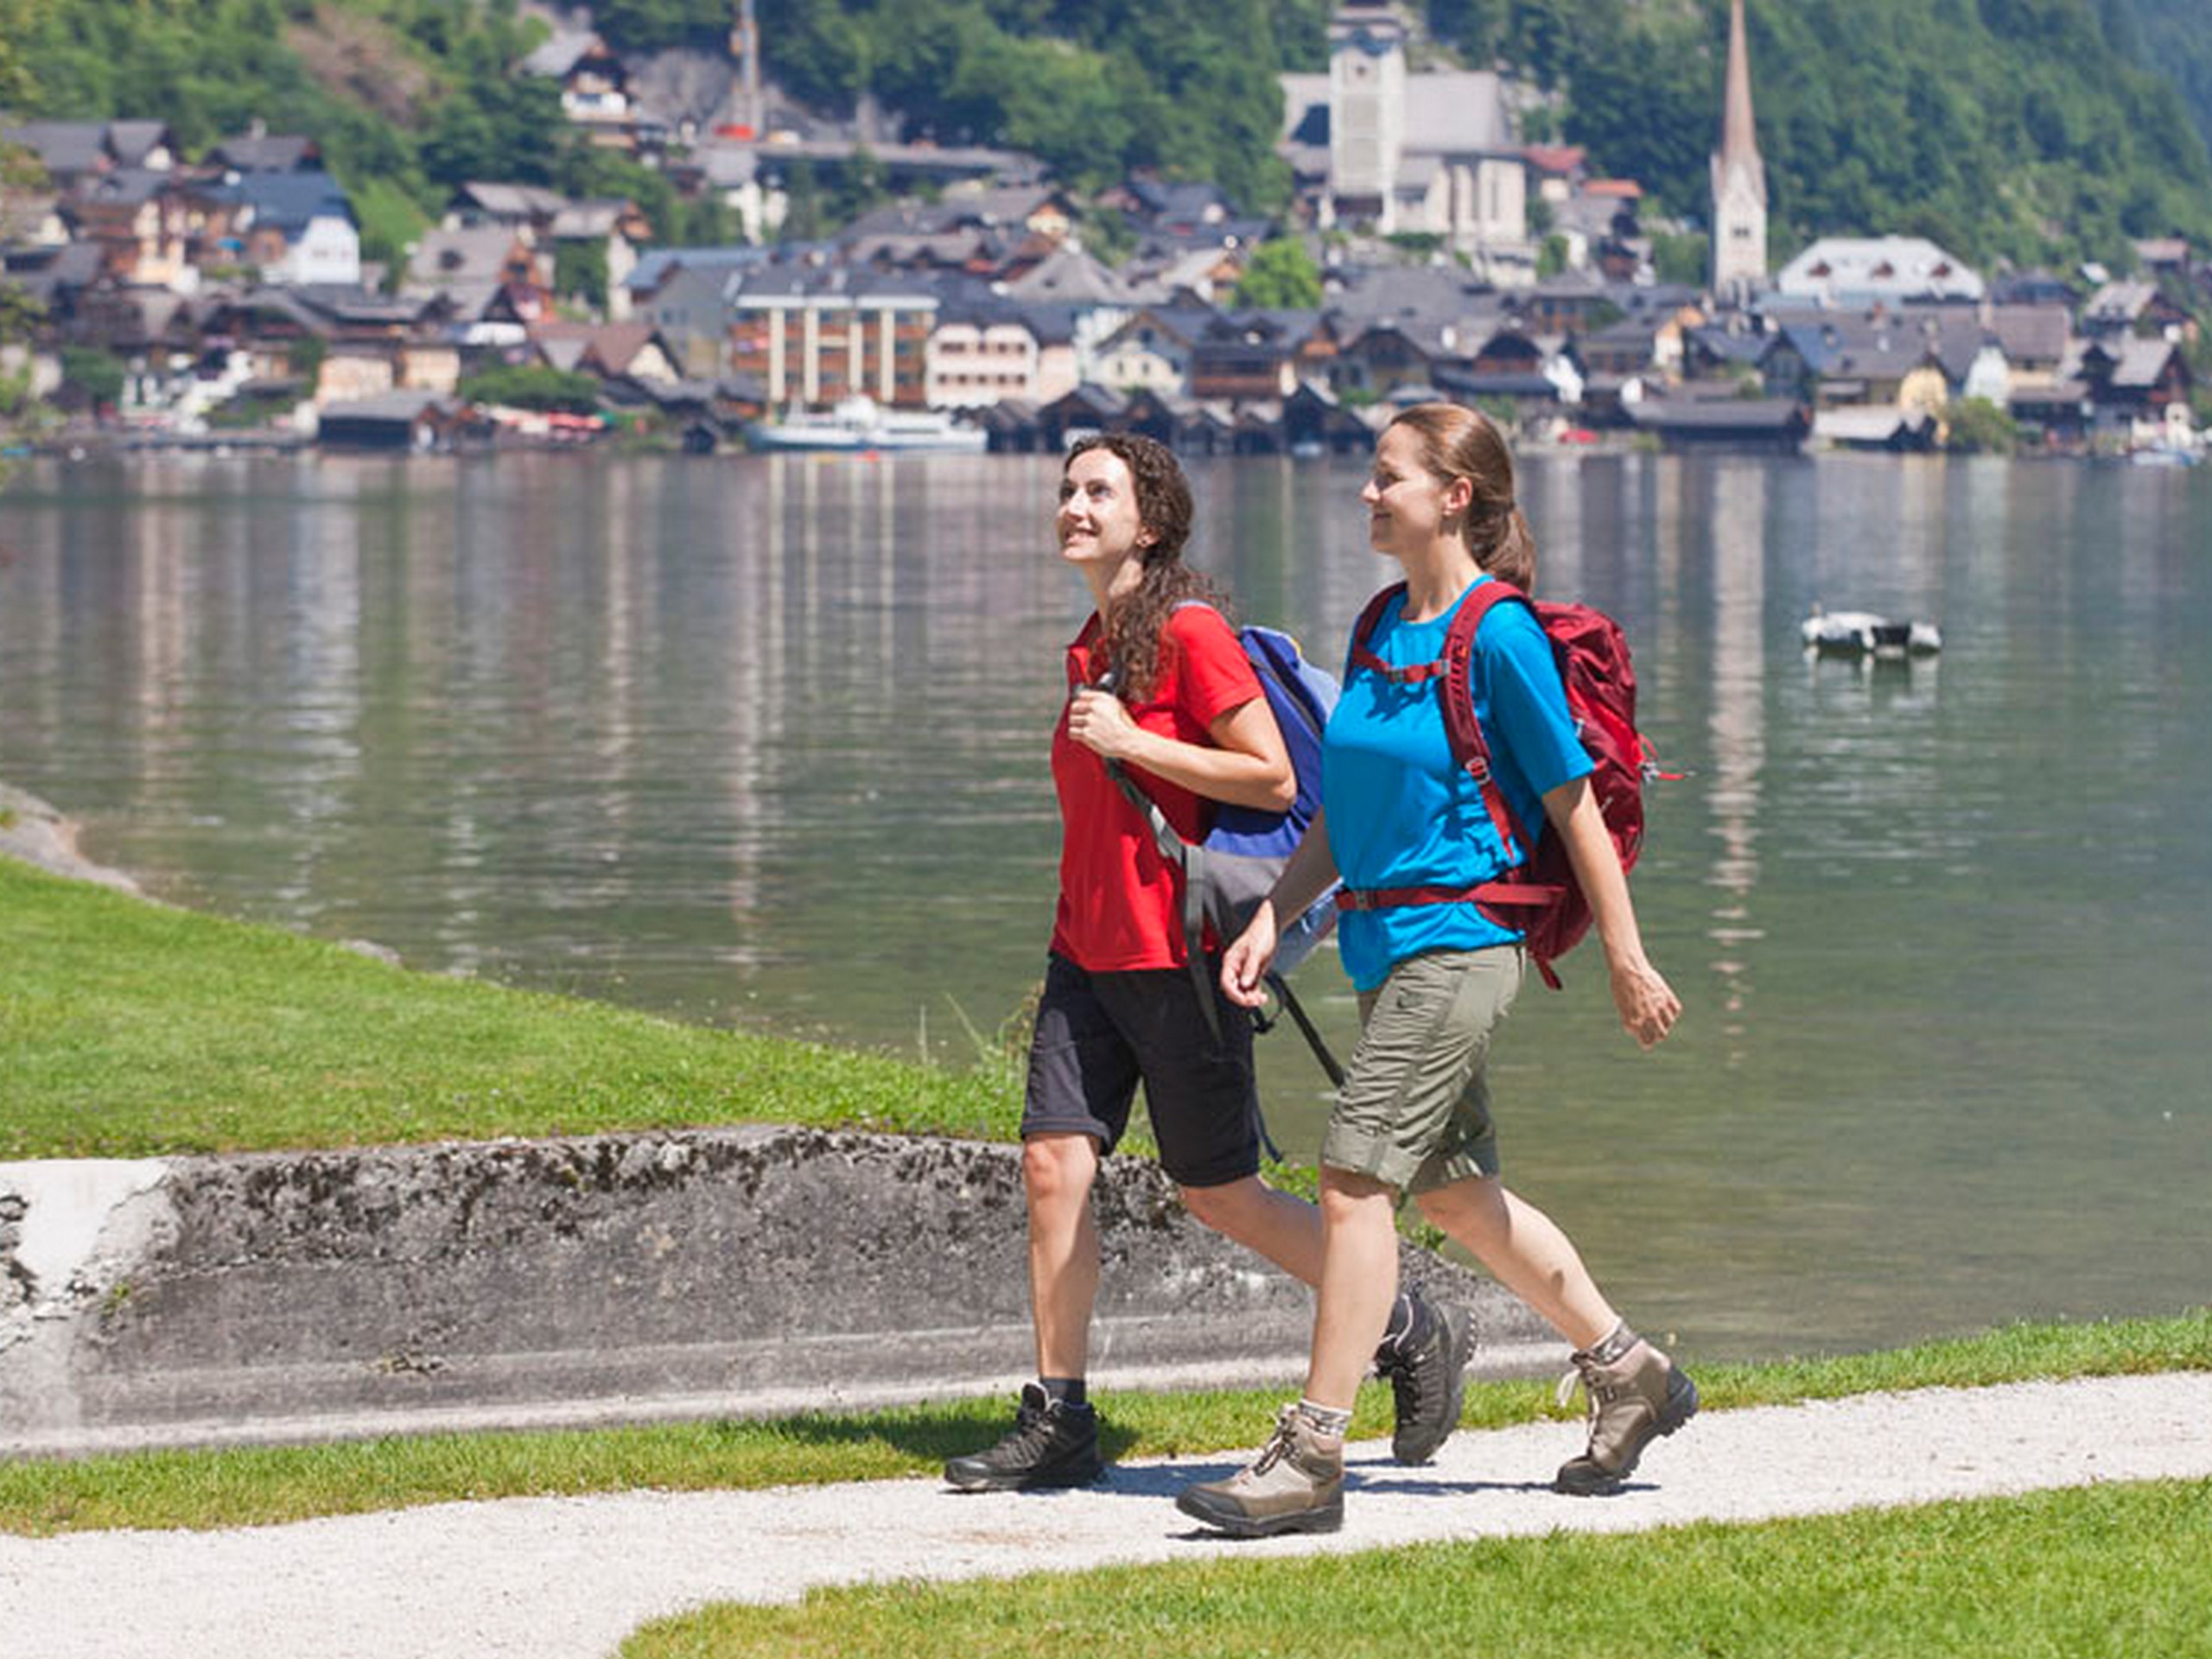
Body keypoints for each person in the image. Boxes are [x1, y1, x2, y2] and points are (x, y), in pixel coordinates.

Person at [1174, 404, 1694, 1538]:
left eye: (1387, 479)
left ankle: (1312, 1452)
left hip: (1462, 946)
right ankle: (1629, 1370)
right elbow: (1349, 812)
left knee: (1355, 1179)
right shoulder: (1376, 628)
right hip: (1382, 943)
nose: (1367, 495)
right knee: (1456, 1196)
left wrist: (1625, 952)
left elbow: (1572, 807)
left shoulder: (1496, 635)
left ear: (1454, 496)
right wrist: (1275, 913)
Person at [944, 432, 1470, 1493]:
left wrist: (1134, 742)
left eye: (1099, 490)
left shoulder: (1189, 632)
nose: (1073, 505)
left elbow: (1271, 780)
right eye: (1065, 490)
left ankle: (1407, 1316)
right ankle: (1060, 1417)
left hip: (1181, 956)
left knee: (1220, 1195)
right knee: (1053, 1166)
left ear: (1152, 521)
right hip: (1083, 951)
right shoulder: (1088, 645)